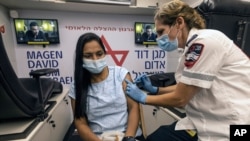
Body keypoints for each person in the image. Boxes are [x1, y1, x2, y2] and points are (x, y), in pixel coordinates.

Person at [125, 0, 250, 141]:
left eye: (161, 32)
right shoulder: (190, 47)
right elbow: (185, 86)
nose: (159, 39)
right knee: (158, 136)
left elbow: (180, 98)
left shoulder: (205, 41)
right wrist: (155, 90)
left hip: (234, 125)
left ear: (179, 22)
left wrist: (144, 98)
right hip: (206, 121)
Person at [68, 32, 144, 141]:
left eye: (99, 53)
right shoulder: (77, 86)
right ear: (81, 58)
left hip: (129, 136)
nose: (95, 59)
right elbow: (80, 123)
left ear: (105, 53)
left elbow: (133, 108)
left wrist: (129, 137)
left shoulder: (121, 74)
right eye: (88, 56)